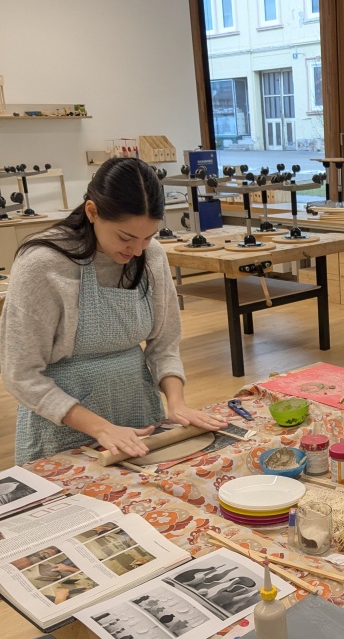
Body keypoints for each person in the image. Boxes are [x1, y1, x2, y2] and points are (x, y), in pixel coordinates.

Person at [0, 157, 226, 463]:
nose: (138, 250)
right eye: (125, 237)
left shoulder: (151, 256)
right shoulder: (44, 264)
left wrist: (177, 403)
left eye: (148, 237)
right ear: (92, 212)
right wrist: (101, 428)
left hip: (137, 410)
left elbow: (164, 344)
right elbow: (20, 374)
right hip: (62, 422)